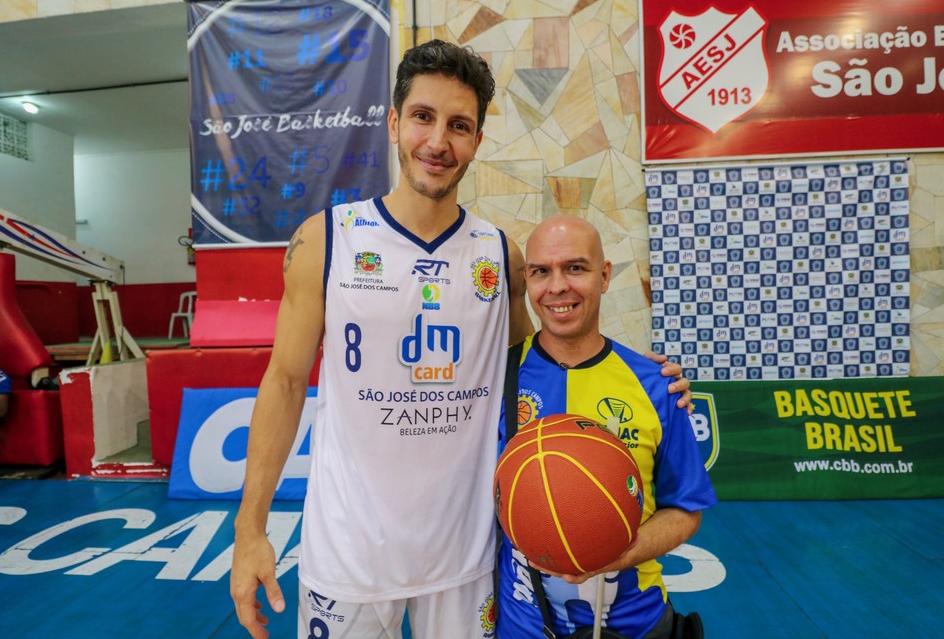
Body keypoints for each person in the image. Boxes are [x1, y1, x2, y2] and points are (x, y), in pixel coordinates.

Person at [230, 40, 691, 639]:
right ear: (394, 123)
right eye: (422, 117)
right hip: (348, 554)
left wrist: (644, 378)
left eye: (459, 125)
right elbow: (286, 383)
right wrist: (250, 529)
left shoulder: (501, 255)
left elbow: (537, 366)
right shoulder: (326, 241)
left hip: (467, 561)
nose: (438, 142)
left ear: (477, 140)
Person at [496, 215, 716, 639]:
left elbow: (686, 510)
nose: (557, 286)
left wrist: (616, 554)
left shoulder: (655, 386)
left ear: (604, 276)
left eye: (575, 268)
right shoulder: (492, 378)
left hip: (636, 626)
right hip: (522, 627)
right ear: (528, 281)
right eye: (541, 271)